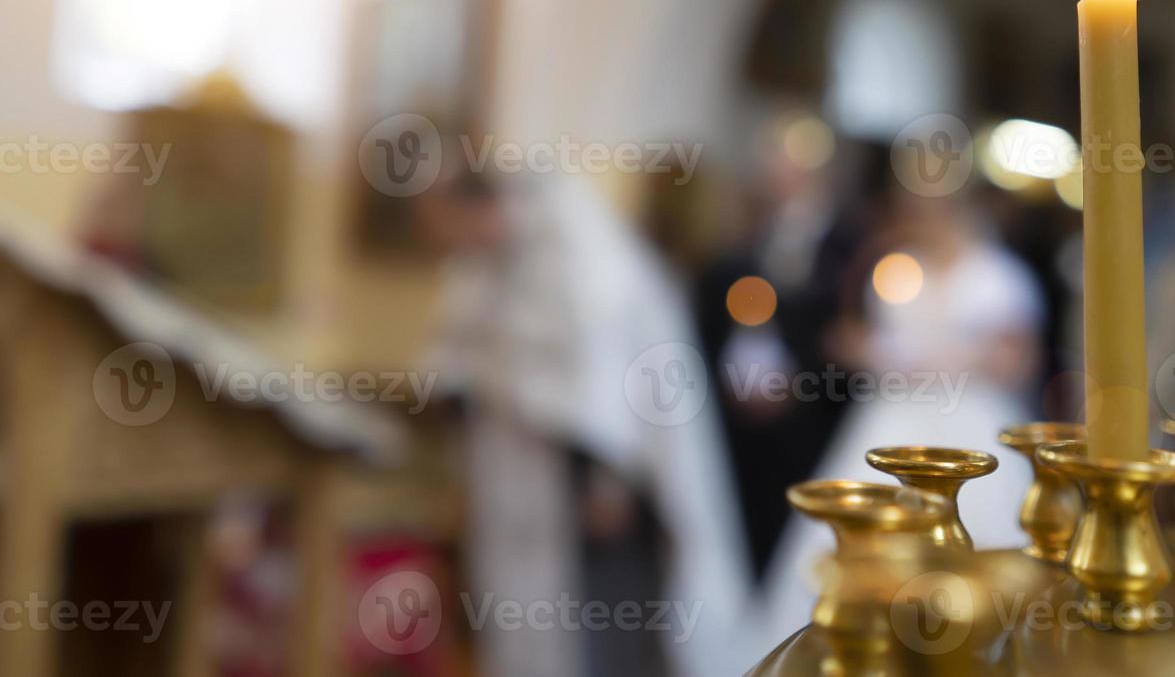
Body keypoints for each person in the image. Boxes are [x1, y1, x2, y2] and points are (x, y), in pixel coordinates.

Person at [429, 171, 753, 677]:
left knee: (596, 619)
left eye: (459, 225)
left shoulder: (584, 258)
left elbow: (609, 391)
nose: (459, 243)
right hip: (517, 472)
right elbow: (462, 351)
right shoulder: (490, 261)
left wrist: (610, 478)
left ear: (485, 208)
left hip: (588, 475)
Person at [752, 184, 1041, 648]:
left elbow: (1018, 361)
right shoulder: (894, 266)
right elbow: (854, 335)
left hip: (968, 414)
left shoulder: (998, 274)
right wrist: (873, 353)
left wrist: (946, 363)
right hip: (894, 411)